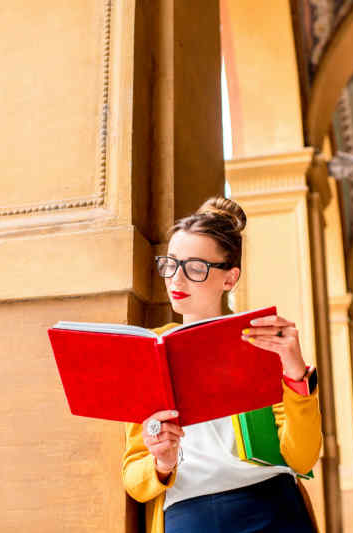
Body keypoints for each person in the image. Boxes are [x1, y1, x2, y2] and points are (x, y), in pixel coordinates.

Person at [121, 197, 322, 533]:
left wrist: (296, 375)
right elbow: (134, 480)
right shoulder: (149, 352)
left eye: (195, 268)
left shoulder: (261, 342)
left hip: (271, 508)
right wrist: (162, 462)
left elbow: (301, 458)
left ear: (230, 279)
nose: (177, 281)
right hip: (189, 515)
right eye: (171, 264)